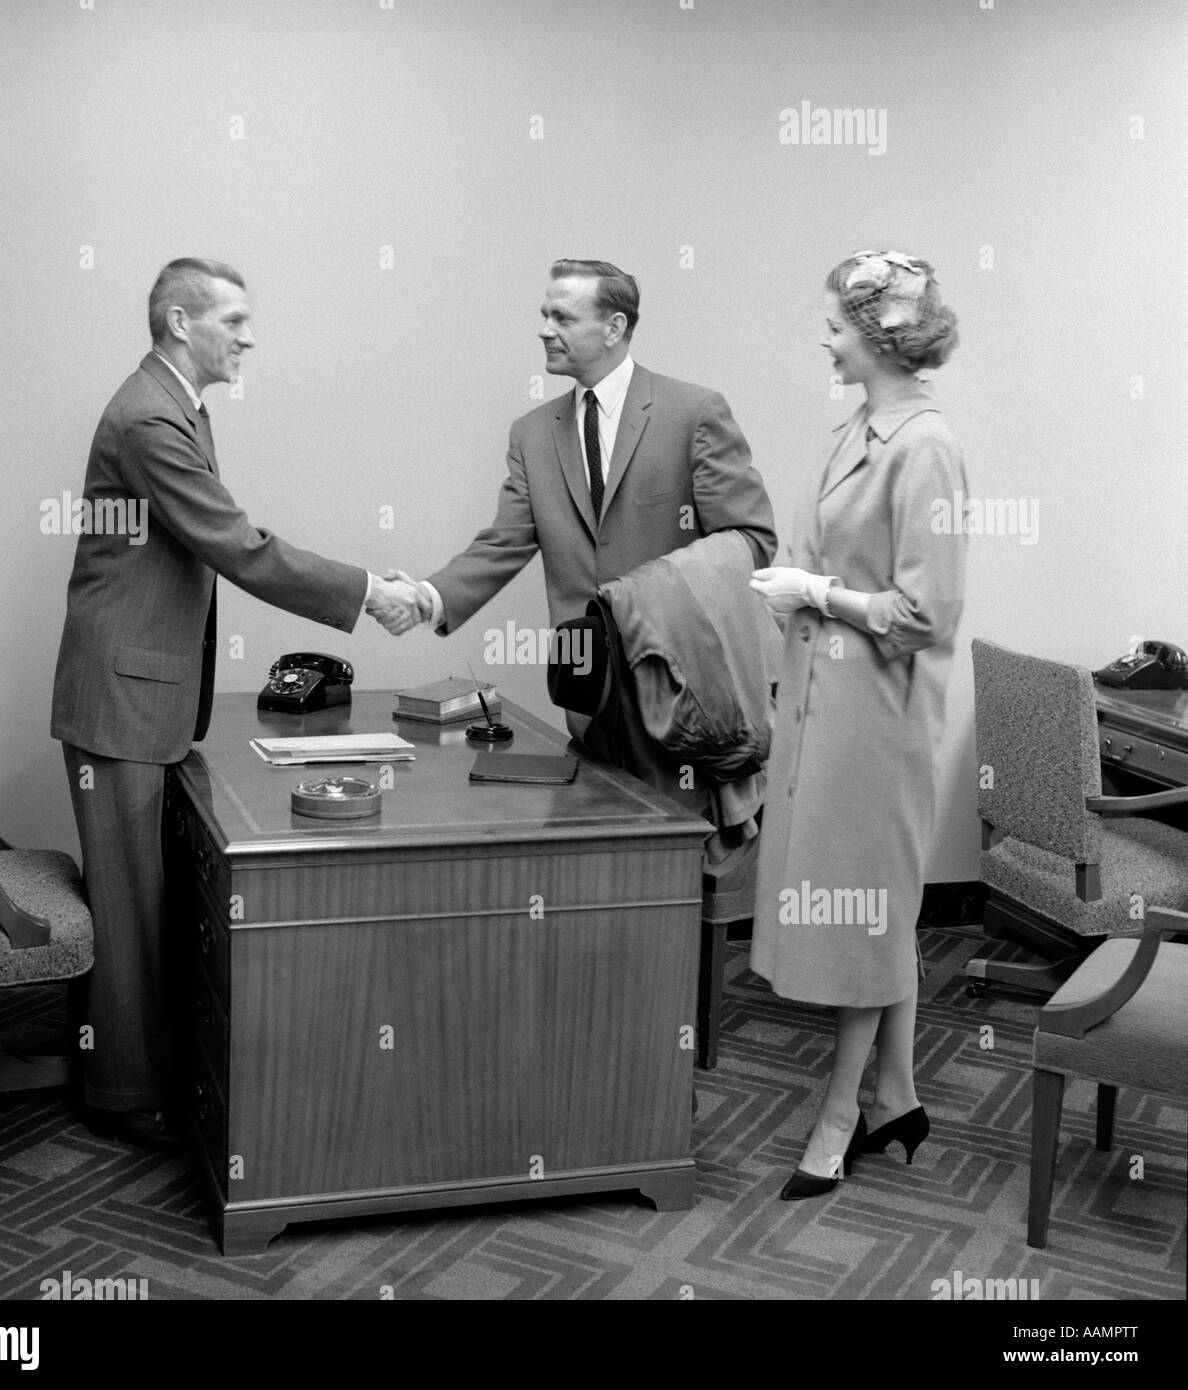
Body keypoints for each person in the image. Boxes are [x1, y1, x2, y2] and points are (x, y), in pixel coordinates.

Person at [50, 257, 423, 1146]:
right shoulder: (149, 417)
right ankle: (125, 1097)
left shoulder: (177, 405)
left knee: (157, 898)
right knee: (135, 909)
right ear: (181, 322)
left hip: (147, 693)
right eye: (235, 319)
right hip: (121, 701)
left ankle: (154, 1074)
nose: (250, 336)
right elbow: (237, 544)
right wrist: (370, 589)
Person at [377, 258, 777, 821]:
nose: (544, 328)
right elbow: (504, 541)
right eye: (543, 314)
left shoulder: (694, 413)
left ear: (613, 328)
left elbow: (749, 540)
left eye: (561, 316)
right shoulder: (532, 433)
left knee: (684, 866)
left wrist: (645, 596)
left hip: (680, 693)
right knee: (601, 861)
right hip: (586, 693)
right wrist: (426, 596)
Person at [748, 250, 966, 1200]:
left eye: (835, 324)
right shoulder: (859, 430)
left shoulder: (927, 448)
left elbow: (928, 614)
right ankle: (896, 1098)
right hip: (826, 704)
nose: (824, 337)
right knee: (877, 910)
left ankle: (838, 1120)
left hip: (879, 720)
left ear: (878, 337)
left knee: (865, 914)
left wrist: (819, 594)